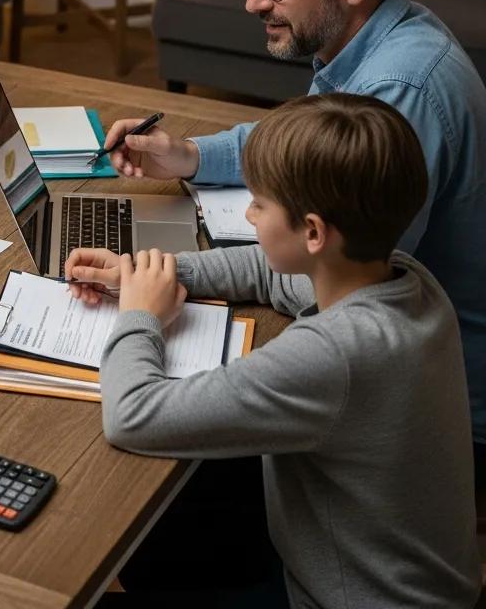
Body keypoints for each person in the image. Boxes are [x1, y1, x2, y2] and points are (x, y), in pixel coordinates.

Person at [106, 0, 486, 466]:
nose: (254, 1)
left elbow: (325, 280)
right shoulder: (376, 39)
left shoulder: (400, 90)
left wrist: (145, 305)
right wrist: (190, 156)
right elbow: (303, 146)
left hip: (437, 413)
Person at [68, 94, 481, 608]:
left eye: (260, 204)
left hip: (331, 597)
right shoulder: (402, 276)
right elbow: (267, 271)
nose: (248, 213)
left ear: (313, 232)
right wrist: (151, 275)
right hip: (391, 575)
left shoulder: (335, 354)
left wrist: (141, 314)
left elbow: (131, 415)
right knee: (172, 508)